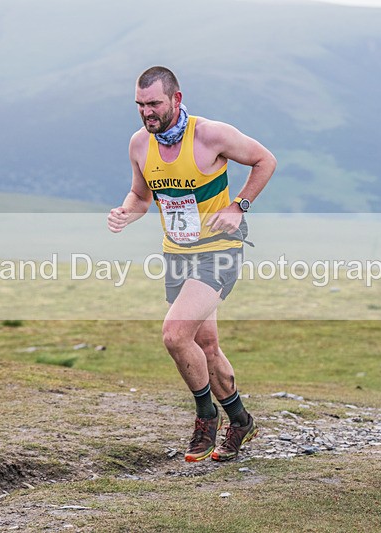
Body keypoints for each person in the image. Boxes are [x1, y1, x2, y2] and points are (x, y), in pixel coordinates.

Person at [107, 66, 276, 462]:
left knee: (174, 334)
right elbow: (141, 196)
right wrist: (125, 213)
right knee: (207, 345)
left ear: (176, 100)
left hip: (219, 251)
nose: (147, 113)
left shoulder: (210, 135)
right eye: (140, 105)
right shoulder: (139, 145)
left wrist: (239, 206)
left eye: (154, 104)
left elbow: (264, 161)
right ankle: (240, 420)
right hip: (177, 254)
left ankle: (206, 416)